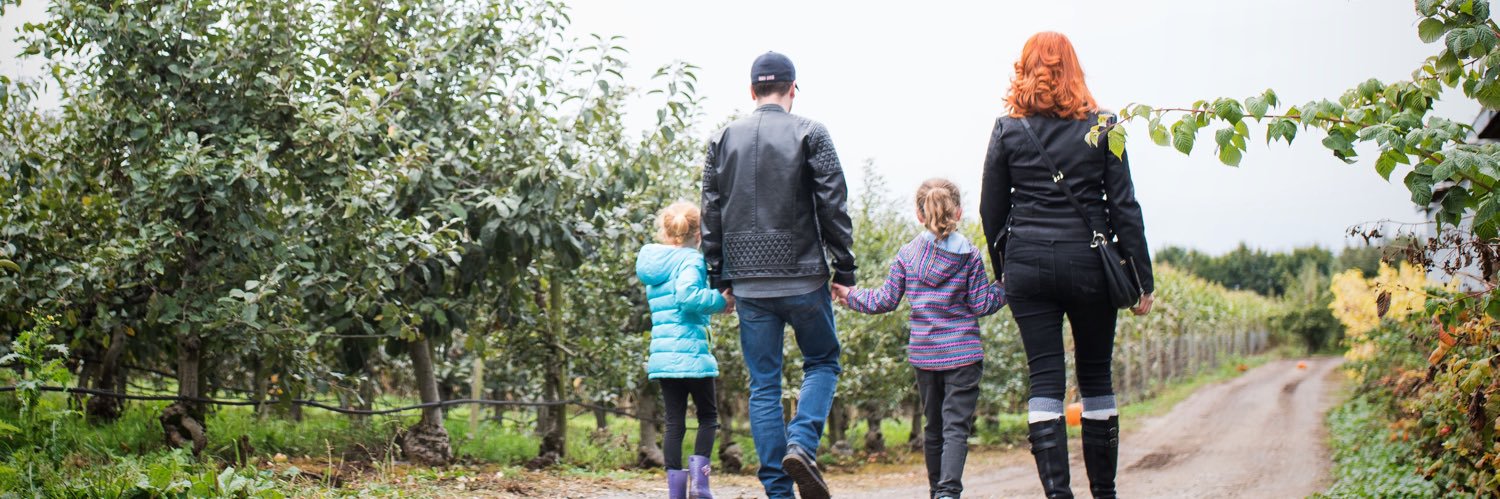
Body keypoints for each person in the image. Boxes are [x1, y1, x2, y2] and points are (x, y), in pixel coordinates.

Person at [978, 32, 1155, 499]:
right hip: (1091, 266)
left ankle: (1058, 494)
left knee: (1045, 379)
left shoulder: (1008, 130)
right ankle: (1105, 493)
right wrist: (1141, 279)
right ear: (1075, 70)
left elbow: (990, 211)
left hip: (1029, 266)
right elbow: (1124, 207)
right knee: (1096, 375)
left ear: (1024, 69)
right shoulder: (1106, 126)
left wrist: (1005, 269)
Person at [700, 51, 857, 499]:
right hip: (804, 276)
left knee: (764, 385)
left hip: (748, 283)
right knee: (823, 362)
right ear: (793, 89)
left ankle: (778, 489)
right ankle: (802, 445)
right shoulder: (812, 132)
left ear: (752, 92)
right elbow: (833, 206)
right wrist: (844, 269)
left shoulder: (720, 139)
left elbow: (712, 214)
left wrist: (719, 277)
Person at [832, 178, 1006, 499]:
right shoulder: (969, 254)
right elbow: (982, 303)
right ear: (958, 211)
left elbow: (884, 300)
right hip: (963, 355)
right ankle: (948, 493)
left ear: (919, 214)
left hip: (925, 356)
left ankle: (935, 491)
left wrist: (850, 295)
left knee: (933, 428)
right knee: (956, 429)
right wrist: (1005, 287)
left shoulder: (907, 255)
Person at [635, 201, 730, 499]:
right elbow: (688, 296)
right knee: (708, 417)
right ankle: (700, 486)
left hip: (664, 356)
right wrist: (720, 301)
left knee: (674, 422)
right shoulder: (691, 260)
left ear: (666, 232)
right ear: (699, 235)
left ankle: (676, 493)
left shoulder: (656, 263)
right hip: (692, 352)